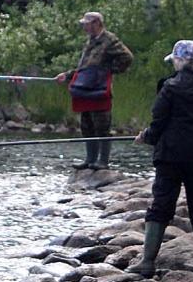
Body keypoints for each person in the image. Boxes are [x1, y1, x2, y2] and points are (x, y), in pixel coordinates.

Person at [129, 40, 193, 278]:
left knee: (161, 205)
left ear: (181, 60)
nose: (173, 62)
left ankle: (147, 263)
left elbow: (158, 123)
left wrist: (146, 137)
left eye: (174, 59)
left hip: (171, 156)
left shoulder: (170, 87)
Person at [55, 11, 134, 170]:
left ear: (97, 23)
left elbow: (127, 58)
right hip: (85, 88)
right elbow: (84, 67)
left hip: (100, 89)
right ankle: (90, 160)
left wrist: (108, 71)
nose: (84, 26)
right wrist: (69, 75)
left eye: (87, 23)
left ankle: (103, 162)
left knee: (102, 126)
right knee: (87, 125)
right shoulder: (90, 41)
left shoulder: (110, 40)